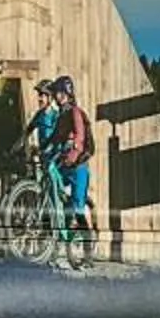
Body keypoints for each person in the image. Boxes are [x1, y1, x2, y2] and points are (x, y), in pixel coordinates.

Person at [51, 75, 96, 262]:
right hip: (65, 164)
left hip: (78, 166)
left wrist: (73, 155)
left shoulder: (75, 112)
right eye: (56, 93)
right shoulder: (61, 116)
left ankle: (87, 254)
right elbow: (54, 138)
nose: (56, 96)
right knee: (54, 188)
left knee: (78, 208)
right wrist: (43, 148)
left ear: (67, 93)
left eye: (59, 92)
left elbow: (79, 138)